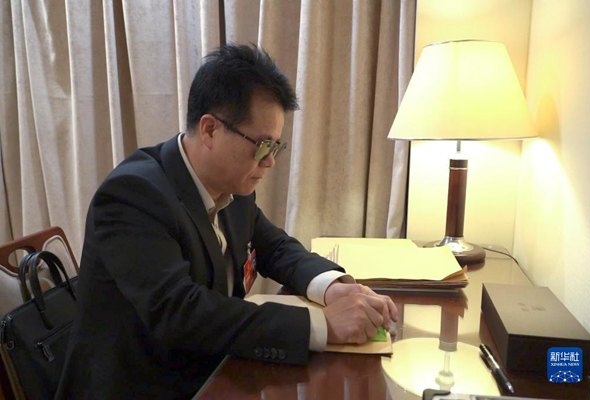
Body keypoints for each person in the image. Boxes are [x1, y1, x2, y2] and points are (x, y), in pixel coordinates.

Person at [56, 43, 397, 399]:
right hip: (146, 385)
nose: (270, 162)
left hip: (210, 368)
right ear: (210, 130)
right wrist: (322, 325)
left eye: (276, 147)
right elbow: (180, 311)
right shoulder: (133, 195)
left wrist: (333, 286)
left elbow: (274, 247)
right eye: (262, 145)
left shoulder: (233, 185)